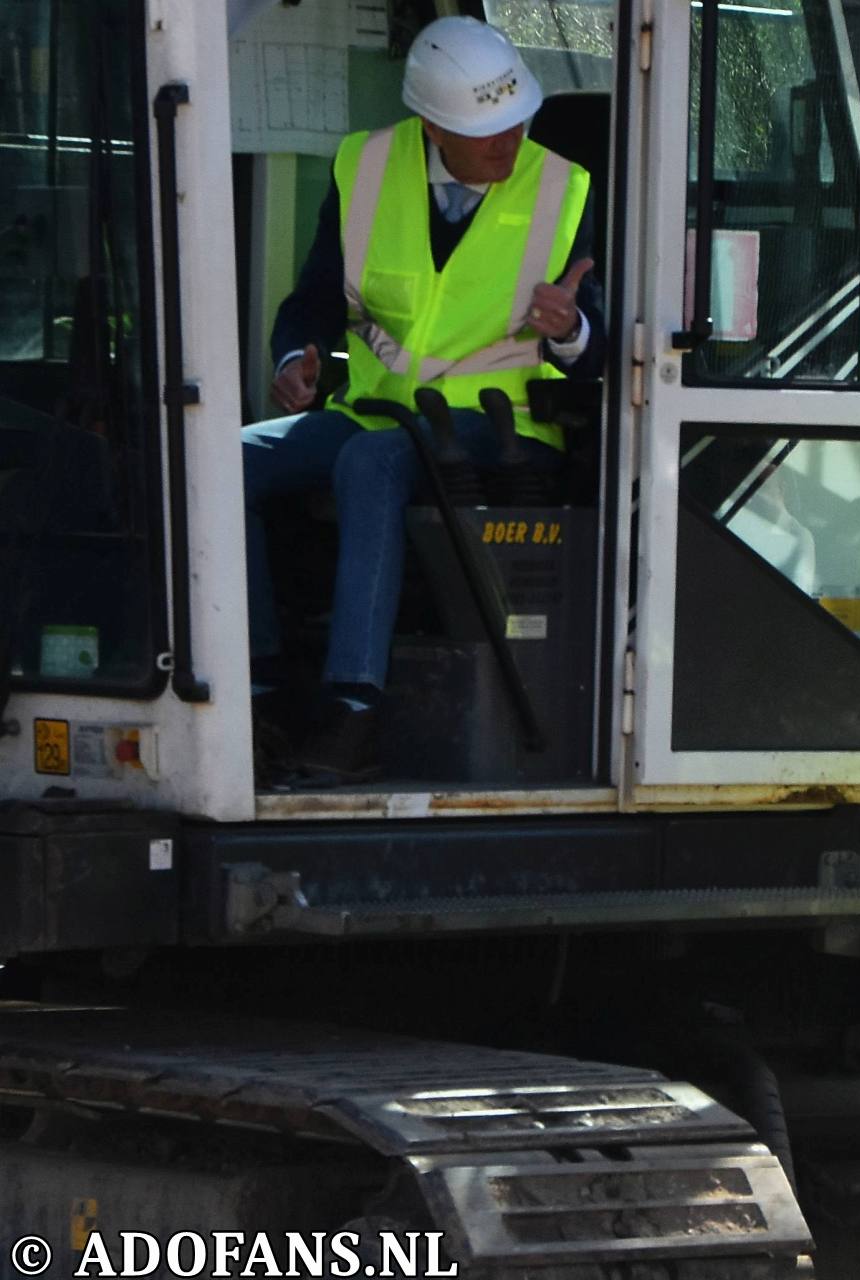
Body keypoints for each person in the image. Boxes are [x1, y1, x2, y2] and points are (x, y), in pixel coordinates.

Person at [242, 15, 604, 782]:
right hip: (374, 411)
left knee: (374, 462)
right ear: (432, 125)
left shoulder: (564, 189)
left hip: (501, 425)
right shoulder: (364, 169)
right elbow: (310, 302)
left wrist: (570, 327)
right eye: (488, 129)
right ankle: (257, 687)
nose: (510, 141)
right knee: (217, 463)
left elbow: (598, 345)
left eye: (517, 120)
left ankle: (354, 709)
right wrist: (295, 358)